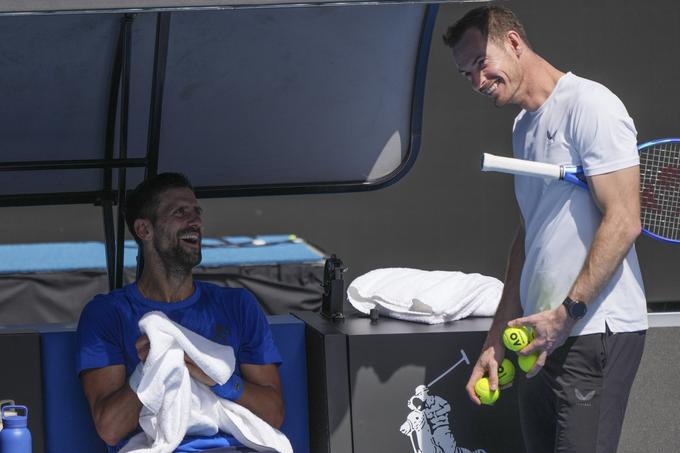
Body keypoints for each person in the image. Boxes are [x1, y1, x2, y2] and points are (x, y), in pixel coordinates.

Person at [443, 6, 647, 453]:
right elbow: (530, 235)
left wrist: (565, 315)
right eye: (466, 74)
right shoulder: (523, 126)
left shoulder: (591, 105)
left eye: (481, 63)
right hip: (541, 338)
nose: (477, 81)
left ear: (514, 42)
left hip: (592, 331)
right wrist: (496, 337)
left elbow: (625, 220)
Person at [76, 173, 284, 452]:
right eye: (180, 212)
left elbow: (273, 415)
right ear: (144, 230)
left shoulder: (238, 304)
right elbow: (110, 429)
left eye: (197, 212)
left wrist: (216, 378)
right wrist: (154, 365)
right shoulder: (106, 313)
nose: (195, 221)